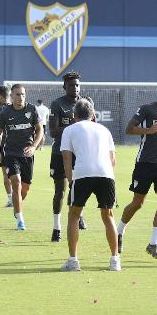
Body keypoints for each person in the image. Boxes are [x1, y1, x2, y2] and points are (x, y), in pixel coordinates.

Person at [116, 78, 157, 259]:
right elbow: (129, 129)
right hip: (145, 163)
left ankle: (153, 244)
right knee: (138, 203)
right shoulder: (147, 109)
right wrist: (149, 131)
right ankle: (119, 231)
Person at [60, 99, 120, 272]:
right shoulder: (104, 129)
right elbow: (113, 160)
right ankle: (115, 260)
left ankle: (73, 261)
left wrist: (71, 180)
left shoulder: (69, 130)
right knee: (108, 215)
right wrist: (109, 176)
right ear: (93, 115)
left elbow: (67, 158)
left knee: (74, 215)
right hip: (106, 174)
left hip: (82, 173)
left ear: (74, 116)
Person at [48, 71, 91, 242]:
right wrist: (75, 126)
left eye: (78, 85)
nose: (75, 88)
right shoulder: (57, 104)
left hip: (80, 153)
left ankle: (78, 216)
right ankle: (56, 228)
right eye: (72, 85)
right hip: (60, 152)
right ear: (65, 86)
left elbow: (92, 126)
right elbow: (53, 131)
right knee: (60, 191)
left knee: (79, 188)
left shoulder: (87, 102)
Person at [0, 84, 42, 230]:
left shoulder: (32, 109)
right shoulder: (5, 112)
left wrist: (33, 146)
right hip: (10, 153)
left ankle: (17, 205)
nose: (20, 97)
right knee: (16, 182)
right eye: (17, 95)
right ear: (12, 96)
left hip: (27, 153)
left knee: (25, 188)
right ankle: (20, 220)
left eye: (22, 94)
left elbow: (40, 130)